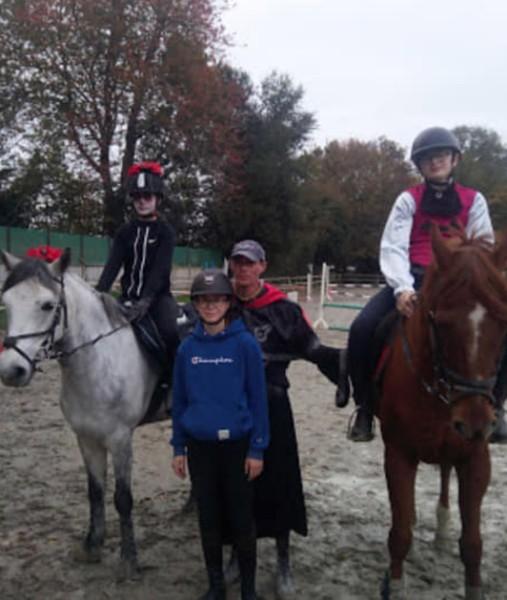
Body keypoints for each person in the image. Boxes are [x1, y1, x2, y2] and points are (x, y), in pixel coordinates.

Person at [347, 126, 507, 443]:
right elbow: (393, 246)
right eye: (427, 159)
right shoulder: (408, 199)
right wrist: (402, 288)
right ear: (420, 165)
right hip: (415, 276)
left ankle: (497, 406)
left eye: (441, 156)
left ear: (454, 159)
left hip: (461, 282)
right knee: (362, 328)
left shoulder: (474, 200)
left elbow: (485, 245)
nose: (435, 162)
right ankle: (365, 406)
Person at [226, 239, 348, 596]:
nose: (243, 269)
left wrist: (343, 365)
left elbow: (311, 349)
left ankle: (283, 562)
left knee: (279, 484)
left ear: (262, 266)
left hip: (273, 404)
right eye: (238, 263)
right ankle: (236, 554)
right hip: (231, 410)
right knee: (235, 486)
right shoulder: (221, 304)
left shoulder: (283, 310)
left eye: (250, 263)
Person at [171, 269, 269, 600]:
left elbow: (258, 400)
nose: (210, 305)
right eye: (203, 300)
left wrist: (257, 449)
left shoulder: (245, 345)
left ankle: (249, 590)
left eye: (217, 299)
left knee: (242, 521)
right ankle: (215, 586)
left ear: (228, 302)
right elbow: (180, 401)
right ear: (195, 305)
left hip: (238, 449)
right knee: (208, 520)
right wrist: (178, 446)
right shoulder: (187, 349)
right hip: (200, 449)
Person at [96, 161, 180, 394]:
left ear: (157, 199)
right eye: (137, 197)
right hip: (127, 298)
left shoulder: (166, 233)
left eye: (147, 196)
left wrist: (146, 300)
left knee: (173, 332)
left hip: (158, 300)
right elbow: (113, 266)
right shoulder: (124, 232)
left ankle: (172, 383)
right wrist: (99, 293)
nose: (142, 201)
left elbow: (160, 270)